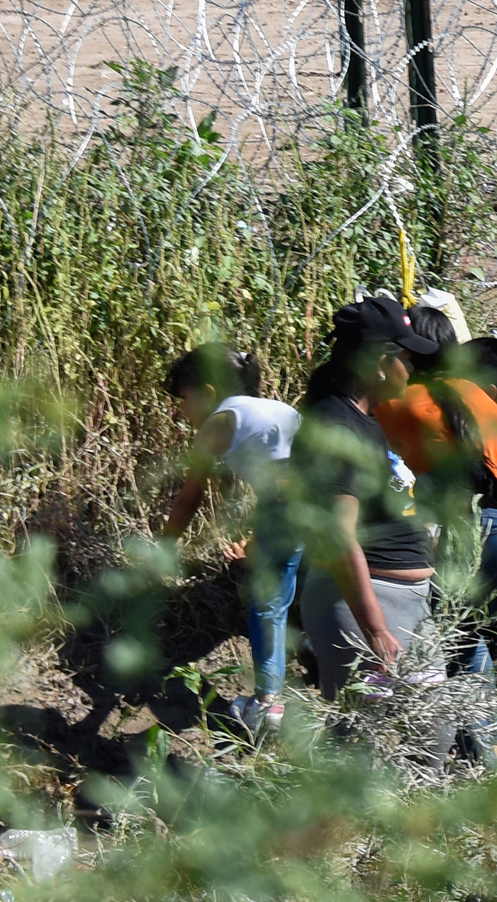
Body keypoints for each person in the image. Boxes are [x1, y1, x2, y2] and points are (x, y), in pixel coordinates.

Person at [366, 304, 497, 674]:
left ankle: (459, 726)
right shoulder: (471, 393)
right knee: (460, 631)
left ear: (406, 352)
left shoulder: (394, 403)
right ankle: (480, 727)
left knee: (441, 634)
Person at [290, 298, 443, 699]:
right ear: (378, 362)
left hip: (402, 605)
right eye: (406, 358)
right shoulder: (338, 426)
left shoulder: (362, 417)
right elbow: (339, 536)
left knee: (432, 735)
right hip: (369, 606)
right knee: (361, 743)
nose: (411, 369)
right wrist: (374, 629)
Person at [155, 345, 300, 735]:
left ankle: (267, 705)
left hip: (289, 509)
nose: (182, 411)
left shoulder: (221, 421)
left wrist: (164, 546)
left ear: (206, 390)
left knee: (265, 605)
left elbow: (190, 497)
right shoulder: (279, 409)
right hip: (330, 503)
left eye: (184, 400)